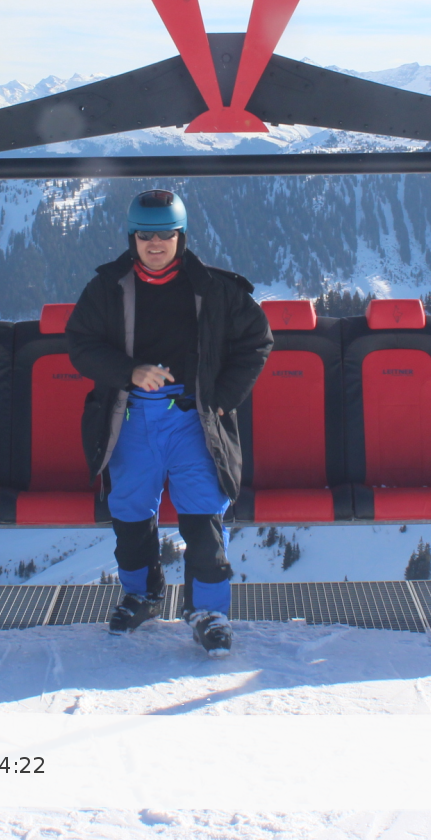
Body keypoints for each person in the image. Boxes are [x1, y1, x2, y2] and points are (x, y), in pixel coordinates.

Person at [67, 188, 273, 656]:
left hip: (192, 419)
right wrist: (130, 372)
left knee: (202, 514)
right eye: (145, 235)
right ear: (132, 238)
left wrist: (221, 400)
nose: (155, 243)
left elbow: (257, 340)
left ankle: (210, 612)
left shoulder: (216, 289)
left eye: (165, 234)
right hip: (131, 416)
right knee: (130, 513)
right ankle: (142, 594)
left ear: (181, 237)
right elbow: (81, 343)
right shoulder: (108, 288)